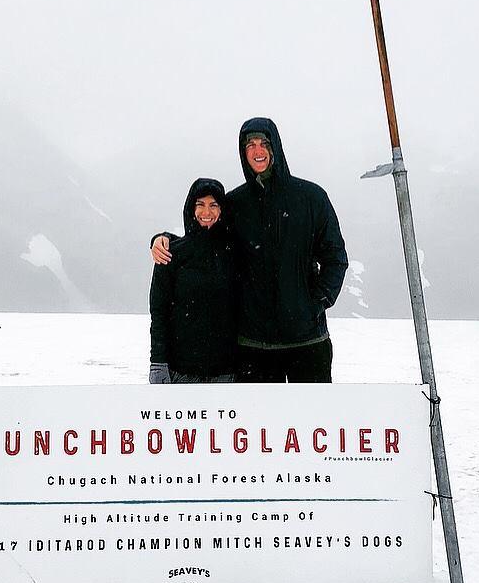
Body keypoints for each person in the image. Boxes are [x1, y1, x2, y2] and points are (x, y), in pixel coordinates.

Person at [152, 118, 347, 383]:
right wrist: (164, 239)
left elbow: (335, 257)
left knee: (312, 421)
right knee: (259, 423)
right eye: (250, 145)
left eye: (264, 143)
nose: (257, 151)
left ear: (275, 147)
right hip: (254, 348)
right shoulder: (235, 203)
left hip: (307, 341)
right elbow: (205, 240)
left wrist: (317, 302)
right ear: (243, 153)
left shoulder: (311, 198)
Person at [148, 178, 238, 384]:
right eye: (200, 204)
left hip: (227, 373)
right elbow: (159, 313)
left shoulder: (234, 254)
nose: (207, 212)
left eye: (213, 205)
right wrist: (158, 363)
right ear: (191, 208)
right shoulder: (170, 254)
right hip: (181, 372)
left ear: (222, 210)